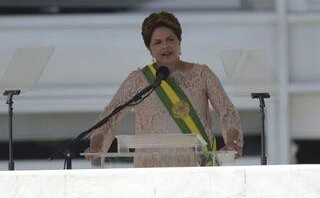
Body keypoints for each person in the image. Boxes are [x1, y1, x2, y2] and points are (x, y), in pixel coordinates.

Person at [86, 11, 243, 167]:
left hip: (195, 167)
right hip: (150, 169)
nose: (165, 45)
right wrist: (96, 146)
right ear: (150, 50)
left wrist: (232, 141)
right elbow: (110, 117)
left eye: (170, 39)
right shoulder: (138, 80)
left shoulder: (202, 75)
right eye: (158, 42)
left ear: (179, 43)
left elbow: (227, 112)